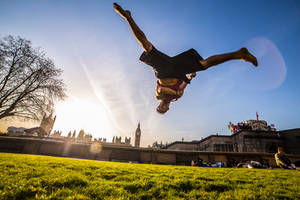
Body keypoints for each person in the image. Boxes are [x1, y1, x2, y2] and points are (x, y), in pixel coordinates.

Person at [113, 3, 258, 114]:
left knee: (147, 46)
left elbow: (163, 91)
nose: (162, 105)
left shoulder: (159, 96)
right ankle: (239, 54)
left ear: (159, 105)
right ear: (167, 109)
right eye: (164, 108)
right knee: (204, 64)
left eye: (160, 107)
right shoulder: (178, 96)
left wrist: (174, 92)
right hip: (177, 71)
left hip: (163, 72)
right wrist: (191, 77)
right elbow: (183, 86)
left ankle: (128, 17)